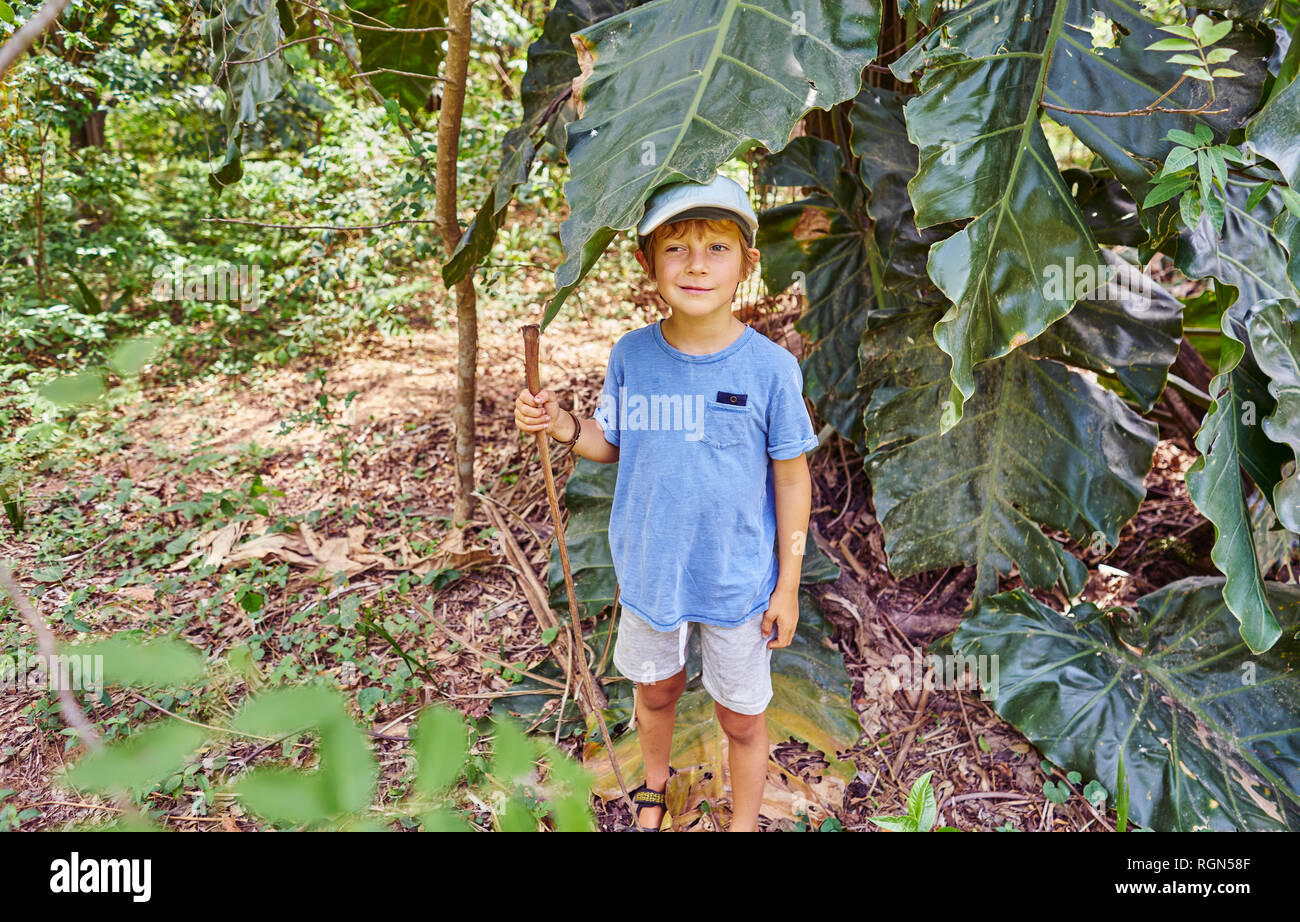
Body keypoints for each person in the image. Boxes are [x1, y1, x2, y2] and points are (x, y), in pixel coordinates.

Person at [514, 172, 817, 831]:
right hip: (651, 570)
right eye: (676, 248)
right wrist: (564, 426)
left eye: (717, 247)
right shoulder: (633, 356)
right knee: (657, 691)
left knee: (741, 714)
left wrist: (787, 584)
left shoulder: (769, 369)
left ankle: (742, 820)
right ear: (646, 262)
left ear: (747, 264)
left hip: (737, 578)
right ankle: (653, 788)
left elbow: (793, 479)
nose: (697, 264)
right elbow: (614, 441)